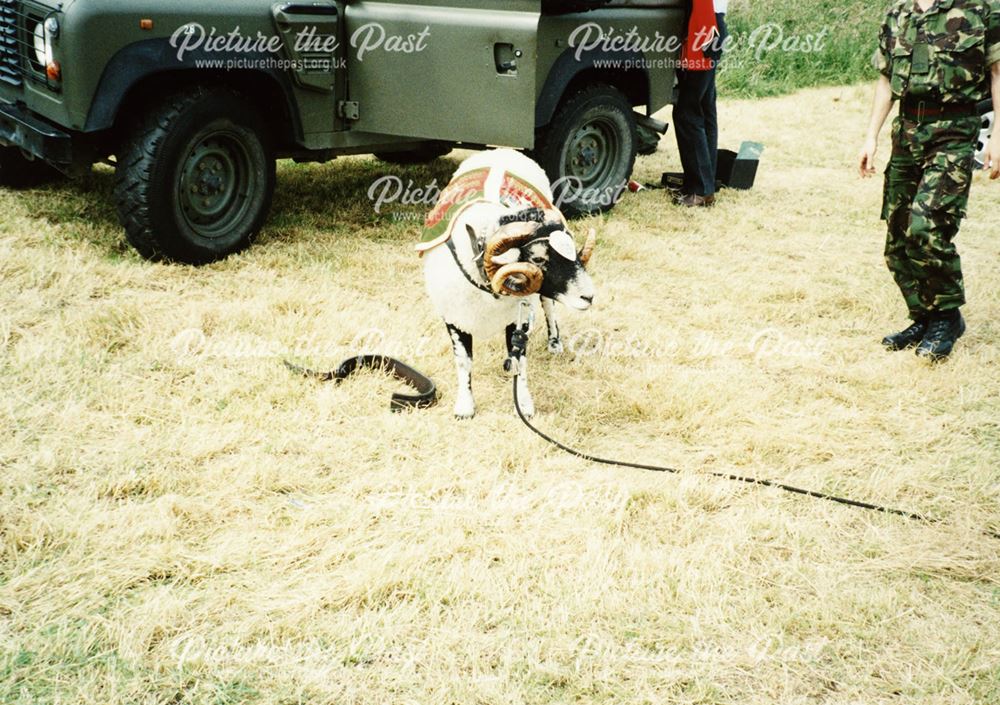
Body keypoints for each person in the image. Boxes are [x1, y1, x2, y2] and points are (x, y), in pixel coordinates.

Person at [859, 0, 1000, 361]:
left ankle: (948, 317)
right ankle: (925, 316)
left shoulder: (979, 10)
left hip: (954, 130)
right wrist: (871, 137)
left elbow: (998, 73)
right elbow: (886, 80)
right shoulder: (897, 13)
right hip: (906, 131)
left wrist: (998, 135)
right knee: (898, 233)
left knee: (927, 225)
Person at [672, 0, 728, 208]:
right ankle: (706, 182)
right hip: (712, 25)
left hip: (704, 26)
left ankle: (700, 189)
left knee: (687, 113)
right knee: (704, 110)